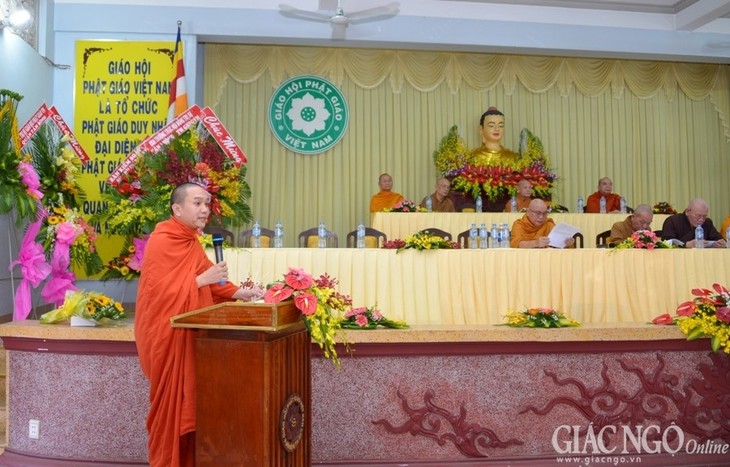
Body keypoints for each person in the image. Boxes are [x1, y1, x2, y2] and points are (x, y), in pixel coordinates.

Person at [135, 182, 264, 466]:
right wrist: (201, 281)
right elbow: (157, 297)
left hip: (193, 340)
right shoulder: (162, 240)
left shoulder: (190, 241)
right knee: (173, 410)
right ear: (177, 208)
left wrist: (239, 293)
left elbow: (212, 279)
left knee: (194, 407)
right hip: (169, 341)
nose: (205, 209)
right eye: (197, 203)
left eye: (207, 203)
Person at [661, 198, 726, 248]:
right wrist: (686, 244)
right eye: (698, 216)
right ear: (687, 211)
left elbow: (718, 239)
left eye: (704, 216)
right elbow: (665, 243)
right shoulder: (672, 221)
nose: (701, 219)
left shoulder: (707, 222)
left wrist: (722, 243)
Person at [510, 199, 575, 248]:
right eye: (538, 213)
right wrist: (536, 243)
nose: (541, 217)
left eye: (545, 213)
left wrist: (566, 244)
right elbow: (515, 244)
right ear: (528, 212)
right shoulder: (519, 225)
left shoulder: (548, 224)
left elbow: (556, 246)